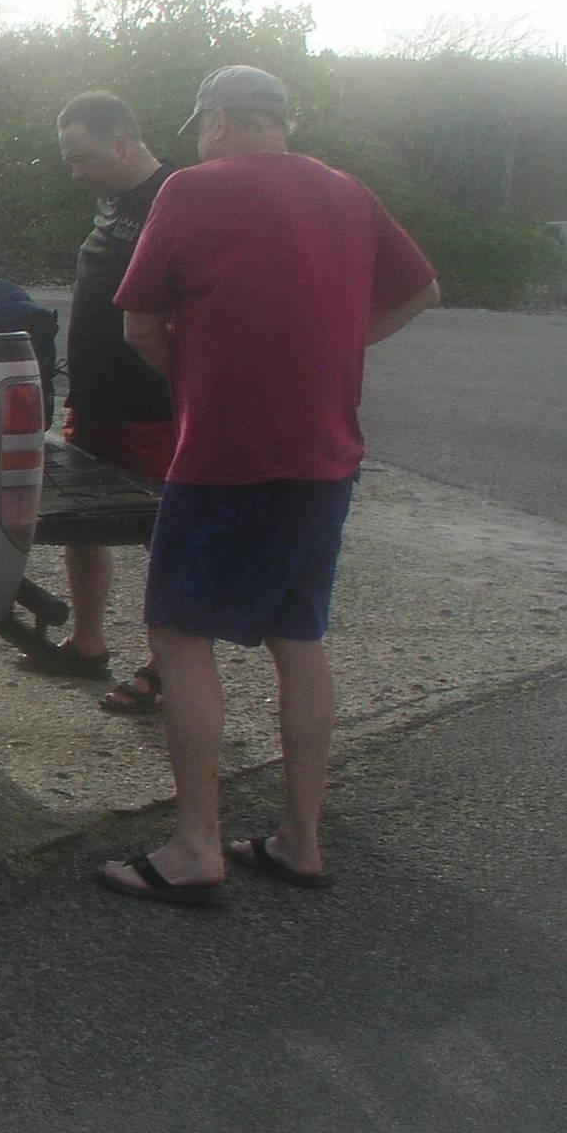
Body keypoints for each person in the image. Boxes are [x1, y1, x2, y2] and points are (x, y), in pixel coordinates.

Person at [95, 67, 440, 909]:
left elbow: (139, 325)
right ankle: (300, 839)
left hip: (224, 454)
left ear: (214, 120)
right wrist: (331, 346)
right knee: (298, 633)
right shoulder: (348, 192)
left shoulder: (191, 190)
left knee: (179, 635)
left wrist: (203, 370)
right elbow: (422, 288)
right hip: (326, 454)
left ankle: (196, 845)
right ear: (282, 122)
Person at [24, 91, 179, 714]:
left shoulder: (179, 197)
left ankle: (167, 666)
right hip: (94, 397)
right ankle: (86, 642)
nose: (75, 172)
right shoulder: (113, 201)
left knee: (166, 537)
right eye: (68, 159)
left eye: (82, 157)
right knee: (85, 528)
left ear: (124, 142)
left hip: (153, 405)